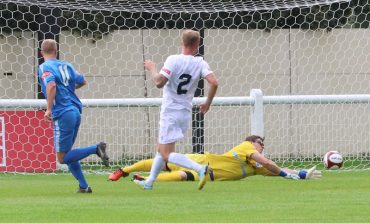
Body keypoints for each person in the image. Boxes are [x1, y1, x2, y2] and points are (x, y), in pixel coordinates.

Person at [134, 29, 219, 190]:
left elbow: (159, 82)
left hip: (170, 112)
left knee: (166, 154)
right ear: (198, 45)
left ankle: (200, 169)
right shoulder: (200, 63)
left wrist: (152, 68)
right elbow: (214, 82)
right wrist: (207, 103)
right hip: (185, 113)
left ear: (182, 43)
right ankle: (149, 182)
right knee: (161, 149)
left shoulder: (173, 60)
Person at [38, 39, 109, 193]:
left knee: (62, 158)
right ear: (56, 51)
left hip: (62, 112)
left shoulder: (45, 67)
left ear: (41, 52)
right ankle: (84, 186)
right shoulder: (67, 66)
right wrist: (69, 88)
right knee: (68, 153)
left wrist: (49, 109)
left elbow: (51, 86)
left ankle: (96, 149)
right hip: (75, 111)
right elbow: (82, 81)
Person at [109, 135, 321, 182]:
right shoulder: (246, 146)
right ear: (252, 142)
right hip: (201, 161)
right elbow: (269, 163)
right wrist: (286, 174)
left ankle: (141, 179)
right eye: (260, 143)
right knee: (165, 160)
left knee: (182, 177)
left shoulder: (255, 166)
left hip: (208, 175)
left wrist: (301, 174)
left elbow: (275, 168)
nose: (262, 146)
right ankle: (125, 170)